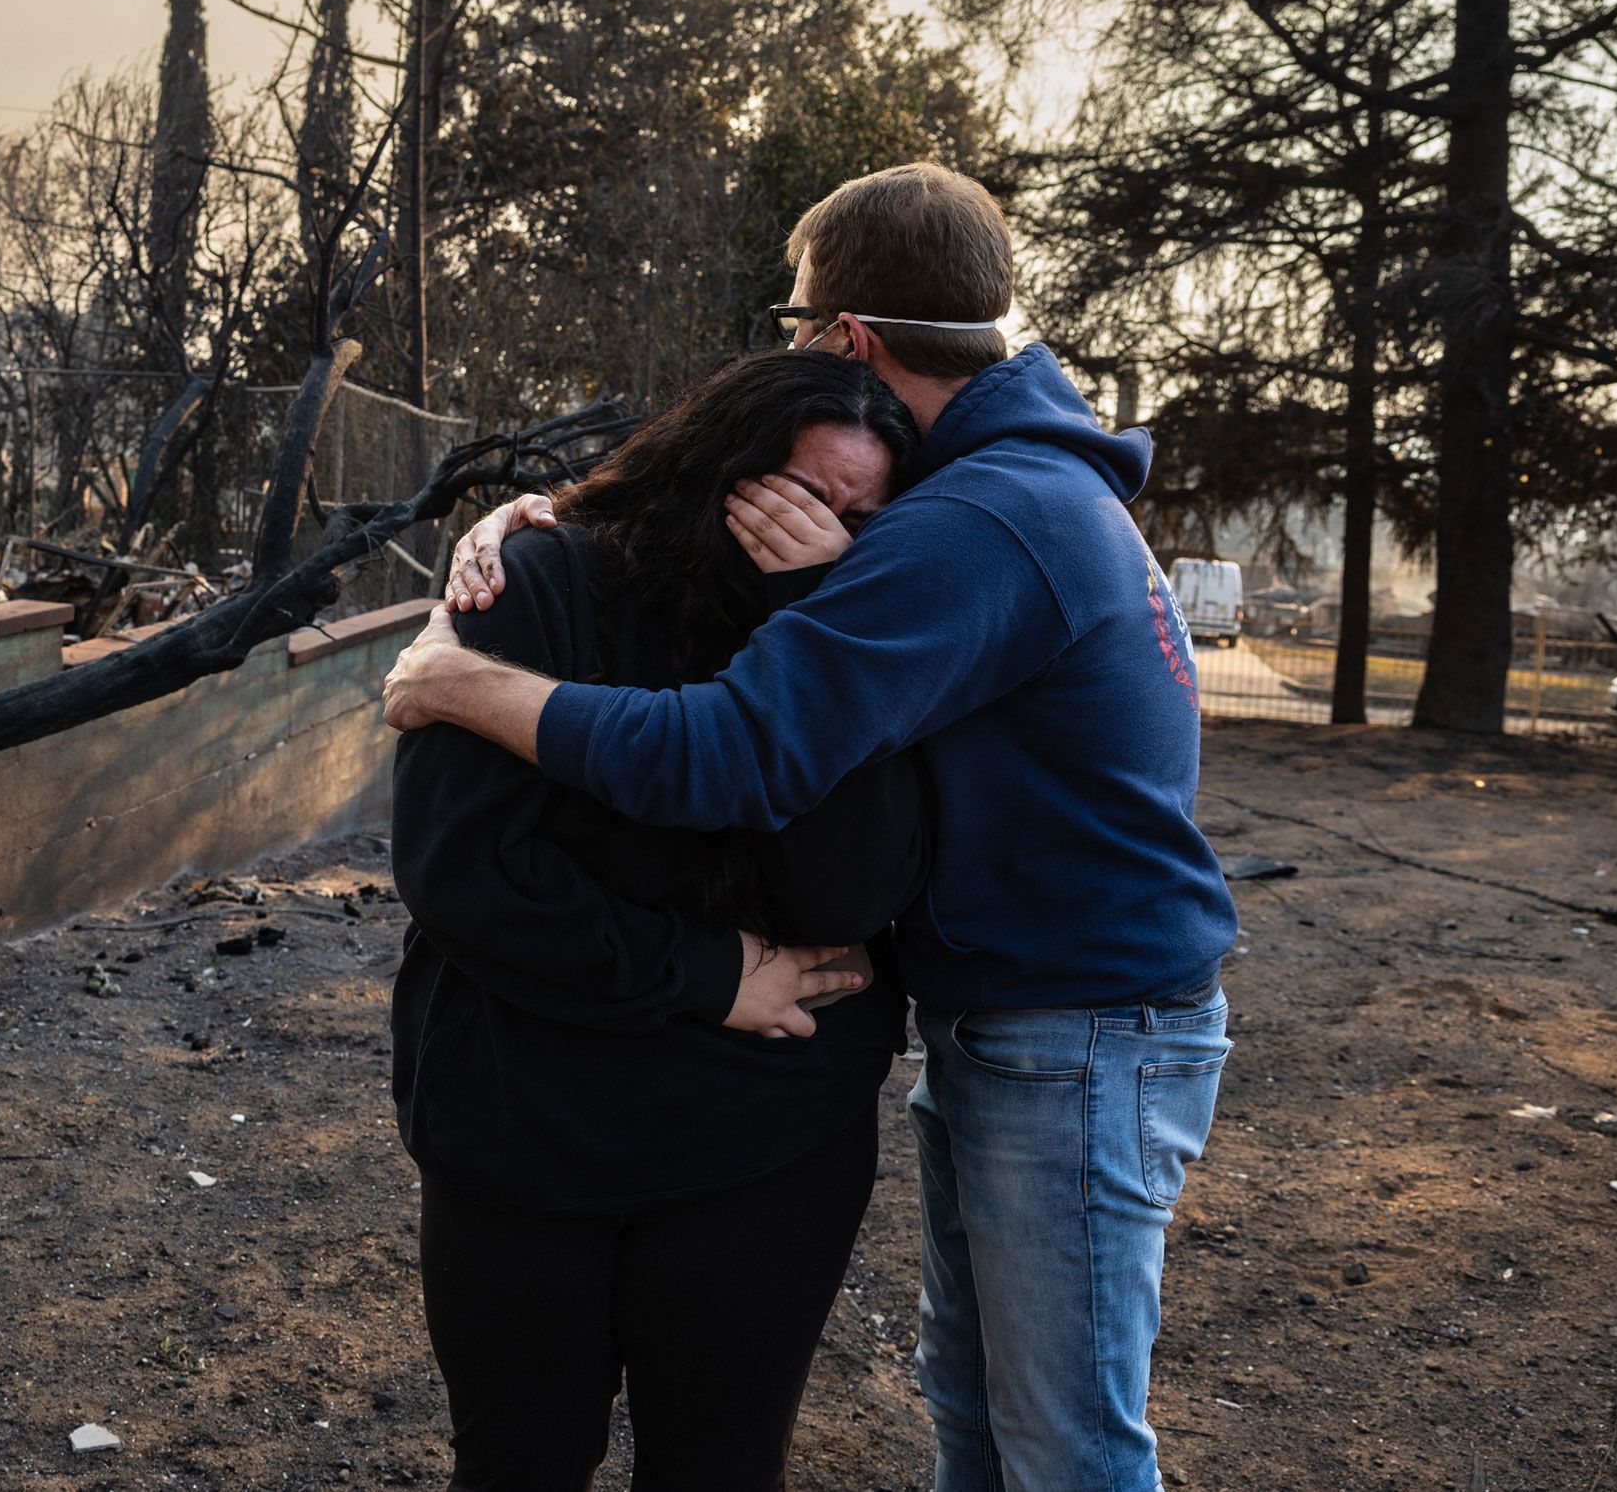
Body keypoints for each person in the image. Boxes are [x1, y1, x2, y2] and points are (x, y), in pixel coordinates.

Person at [383, 163, 1237, 1492]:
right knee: (985, 1406)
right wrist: (533, 516)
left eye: (796, 330)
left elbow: (735, 753)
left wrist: (463, 684)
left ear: (847, 336)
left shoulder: (976, 519)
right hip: (1038, 1015)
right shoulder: (999, 485)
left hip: (1076, 1028)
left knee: (1063, 1444)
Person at [392, 348, 930, 1491]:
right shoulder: (540, 582)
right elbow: (463, 873)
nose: (818, 530)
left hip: (767, 1134)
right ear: (715, 467)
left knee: (721, 1468)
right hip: (527, 1120)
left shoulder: (856, 624)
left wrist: (812, 611)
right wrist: (702, 972)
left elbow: (846, 895)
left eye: (855, 515)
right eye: (793, 497)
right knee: (518, 1462)